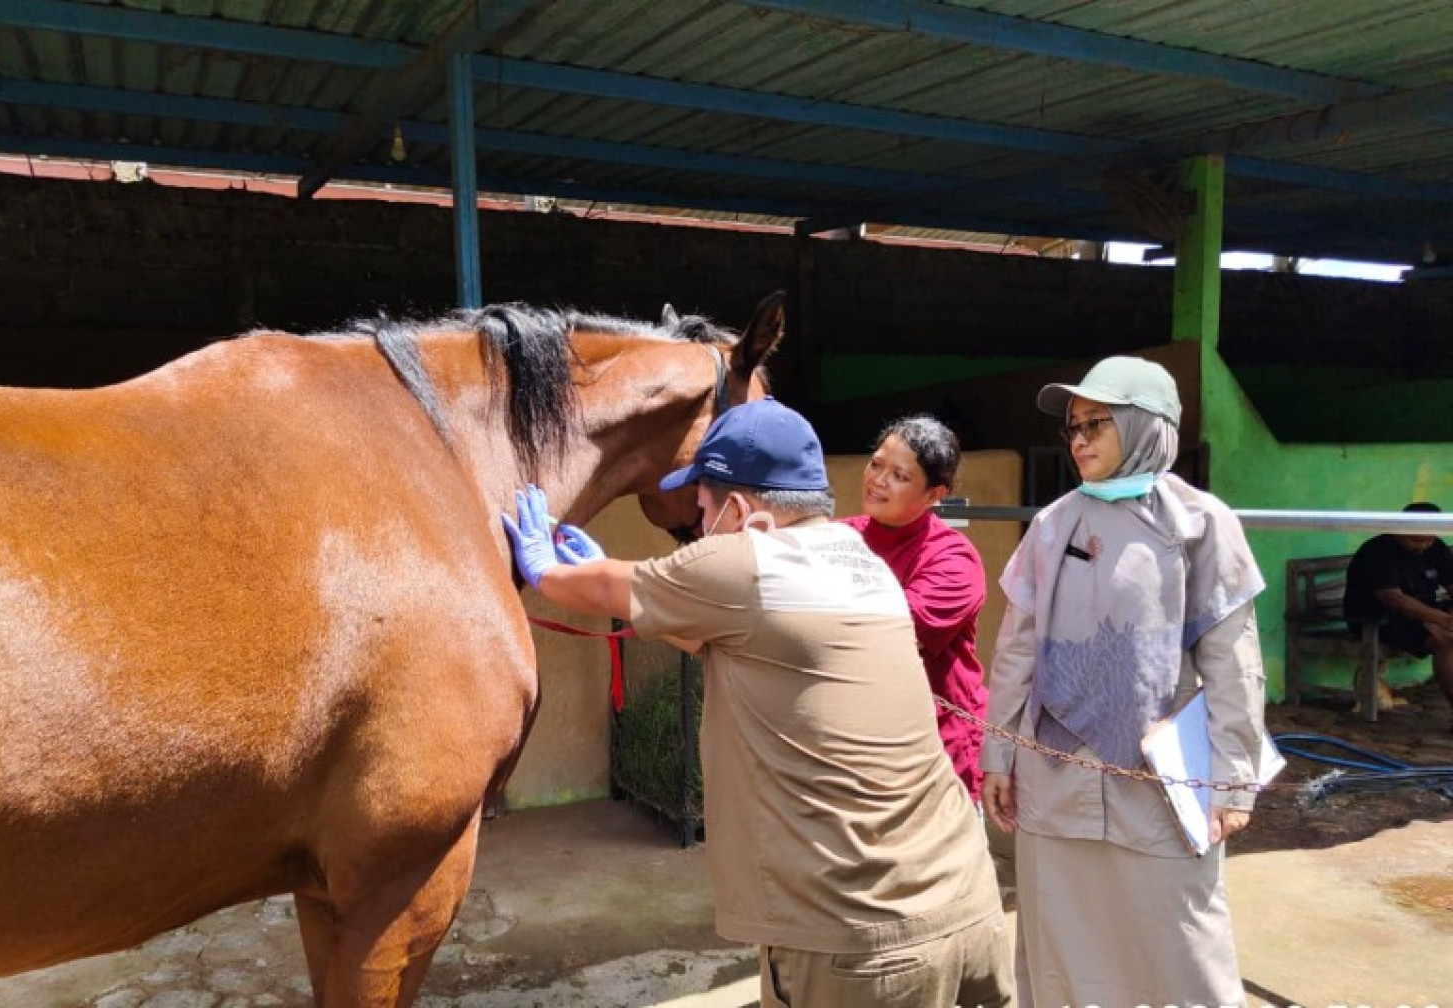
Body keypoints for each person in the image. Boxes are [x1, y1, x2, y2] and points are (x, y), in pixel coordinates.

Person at [503, 398, 1011, 1008]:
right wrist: (621, 584)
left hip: (859, 943)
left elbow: (612, 587)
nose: (698, 517)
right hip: (968, 901)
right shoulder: (861, 561)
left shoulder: (745, 560)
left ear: (741, 510)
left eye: (703, 506)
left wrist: (544, 568)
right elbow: (737, 637)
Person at [978, 357, 1268, 1008]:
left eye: (1096, 423)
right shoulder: (1052, 525)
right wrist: (997, 753)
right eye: (1072, 427)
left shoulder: (1200, 523)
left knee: (1179, 946)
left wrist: (1232, 779)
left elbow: (1233, 663)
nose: (1078, 439)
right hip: (1055, 780)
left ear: (1145, 426)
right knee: (1062, 948)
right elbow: (1016, 650)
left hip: (1160, 785)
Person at [843, 416, 989, 804]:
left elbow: (887, 633)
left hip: (934, 758)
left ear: (934, 494)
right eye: (876, 464)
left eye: (899, 476)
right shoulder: (840, 538)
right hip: (859, 751)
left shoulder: (953, 560)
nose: (877, 480)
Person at [1343, 501, 1453, 714]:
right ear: (1401, 528)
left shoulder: (1435, 547)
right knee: (1446, 641)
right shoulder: (1377, 552)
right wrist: (1443, 620)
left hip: (1422, 614)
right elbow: (1393, 600)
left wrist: (1444, 616)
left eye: (1429, 539)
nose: (1423, 545)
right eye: (1416, 540)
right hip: (1378, 619)